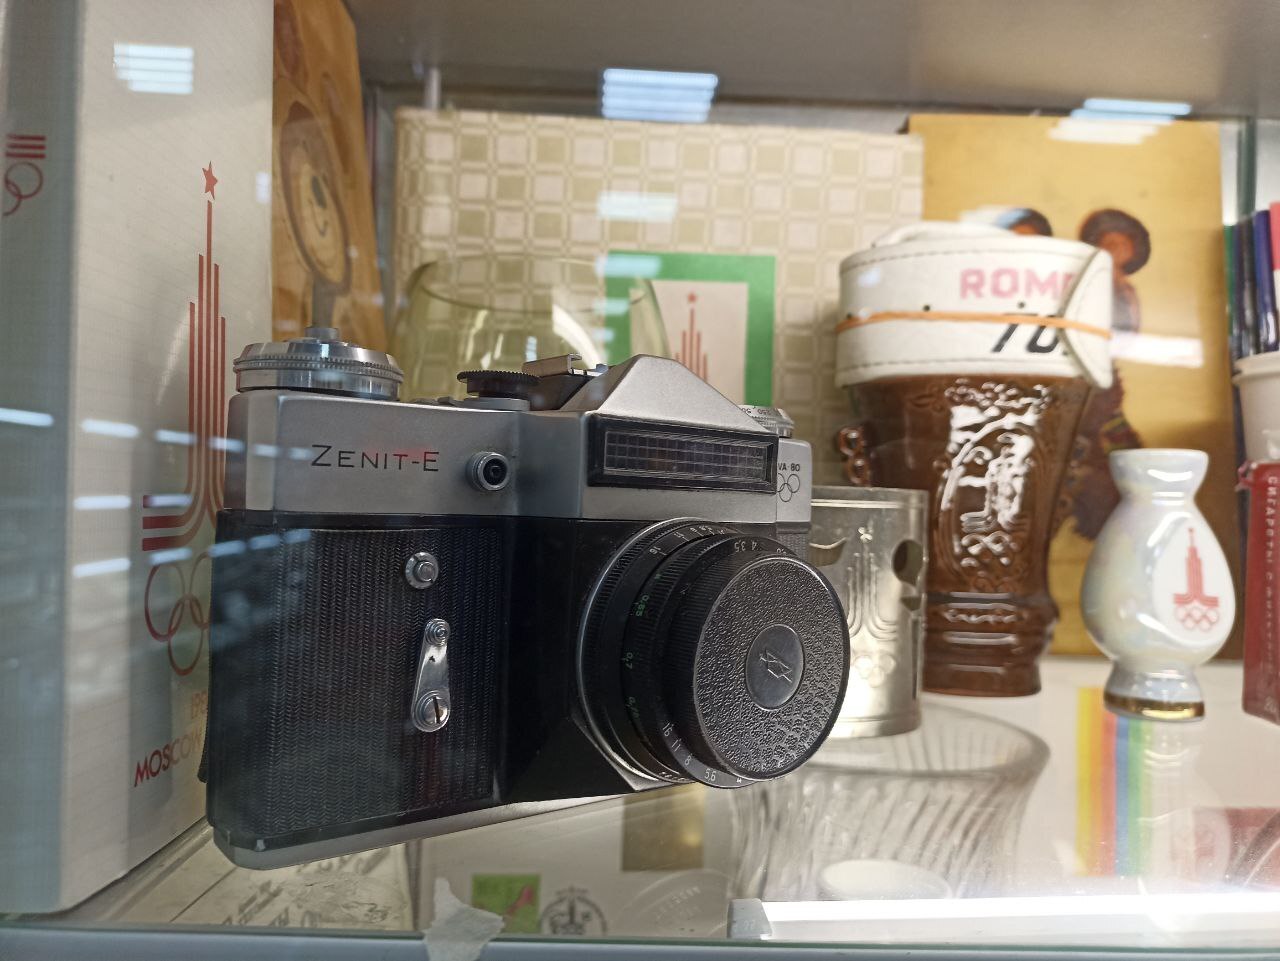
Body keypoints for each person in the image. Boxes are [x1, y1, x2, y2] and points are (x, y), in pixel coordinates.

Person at [1078, 208, 1151, 334]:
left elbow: (1132, 329)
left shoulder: (1127, 289)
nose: (1116, 251)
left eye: (1123, 246)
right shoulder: (1089, 282)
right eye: (1110, 244)